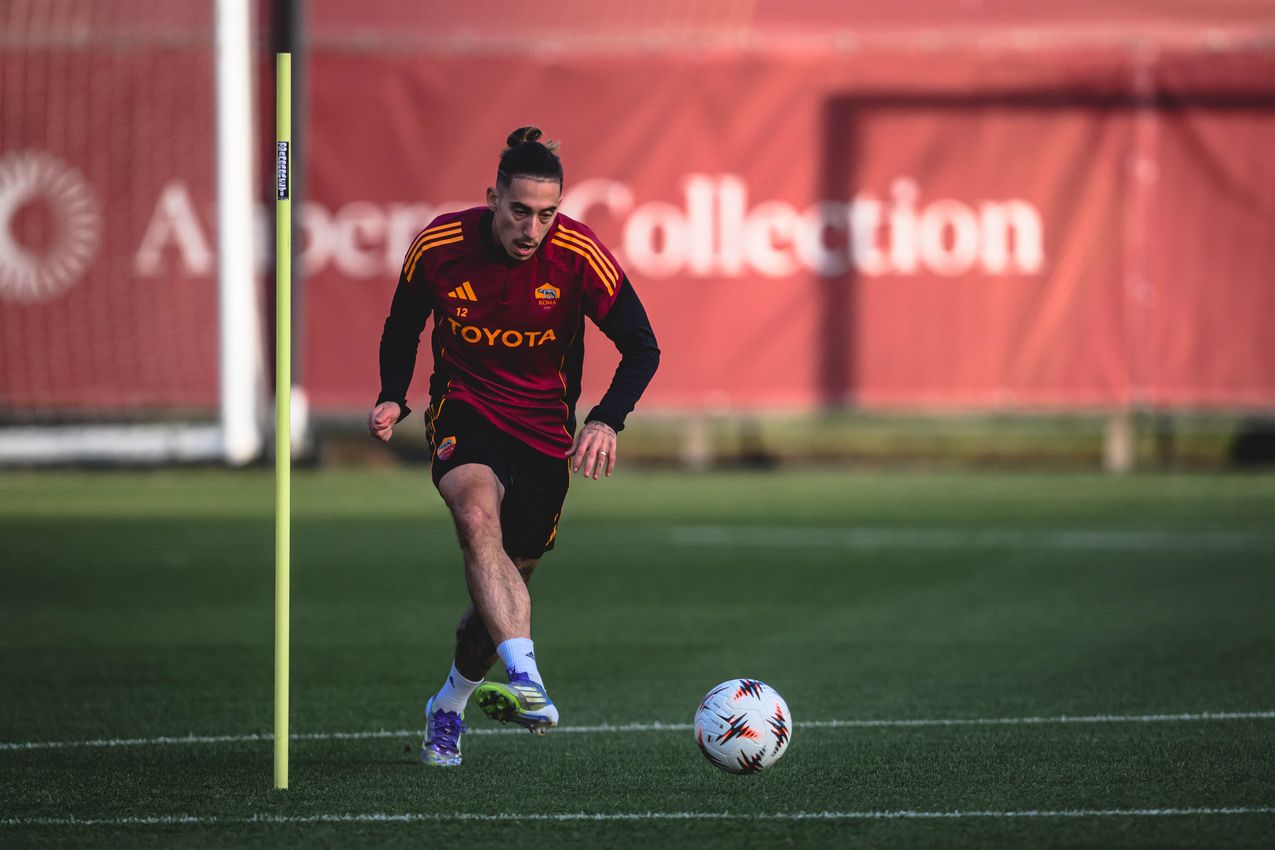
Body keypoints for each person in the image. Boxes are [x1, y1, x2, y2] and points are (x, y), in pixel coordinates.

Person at [368, 126, 660, 767]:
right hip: (464, 412)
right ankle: (528, 679)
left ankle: (448, 703)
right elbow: (402, 322)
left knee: (488, 610)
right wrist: (394, 392)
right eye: (520, 211)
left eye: (547, 215)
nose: (532, 229)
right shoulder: (440, 244)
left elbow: (643, 346)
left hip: (544, 437)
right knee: (476, 520)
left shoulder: (580, 255)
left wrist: (606, 420)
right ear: (493, 198)